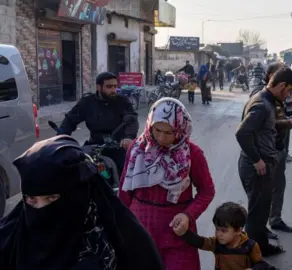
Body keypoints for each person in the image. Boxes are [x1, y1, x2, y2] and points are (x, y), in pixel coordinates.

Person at [0, 135, 164, 270]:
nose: (41, 209)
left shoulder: (127, 242)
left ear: (80, 193)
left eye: (52, 198)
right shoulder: (10, 239)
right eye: (31, 200)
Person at [119, 98, 215, 270]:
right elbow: (125, 191)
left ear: (180, 129)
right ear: (149, 124)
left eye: (169, 132)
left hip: (177, 230)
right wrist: (121, 224)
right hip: (140, 227)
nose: (161, 137)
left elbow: (207, 191)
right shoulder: (136, 149)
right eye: (157, 130)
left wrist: (188, 215)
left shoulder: (192, 154)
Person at [236, 67, 292, 257]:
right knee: (256, 214)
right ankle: (256, 253)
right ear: (281, 85)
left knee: (262, 210)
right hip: (256, 167)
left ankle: (260, 246)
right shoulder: (262, 104)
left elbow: (267, 125)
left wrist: (288, 122)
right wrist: (257, 160)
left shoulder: (268, 101)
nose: (289, 95)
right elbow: (242, 133)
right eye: (288, 90)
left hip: (263, 164)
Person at [250, 62, 292, 239]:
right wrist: (288, 123)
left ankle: (275, 219)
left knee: (279, 185)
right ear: (271, 76)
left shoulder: (284, 96)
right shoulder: (261, 97)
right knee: (262, 195)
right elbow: (258, 127)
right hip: (267, 149)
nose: (288, 92)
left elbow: (285, 114)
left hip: (280, 146)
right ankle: (260, 231)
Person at [58, 72, 139, 175]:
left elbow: (131, 120)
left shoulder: (122, 101)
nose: (113, 90)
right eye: (109, 87)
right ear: (99, 87)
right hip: (95, 146)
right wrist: (60, 139)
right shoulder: (87, 102)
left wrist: (129, 137)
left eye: (115, 86)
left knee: (127, 174)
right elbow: (70, 120)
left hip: (118, 146)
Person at [173, 202, 276, 270]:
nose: (219, 234)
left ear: (238, 230)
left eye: (224, 230)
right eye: (217, 229)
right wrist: (184, 233)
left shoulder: (250, 246)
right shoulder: (215, 243)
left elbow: (261, 264)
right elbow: (200, 242)